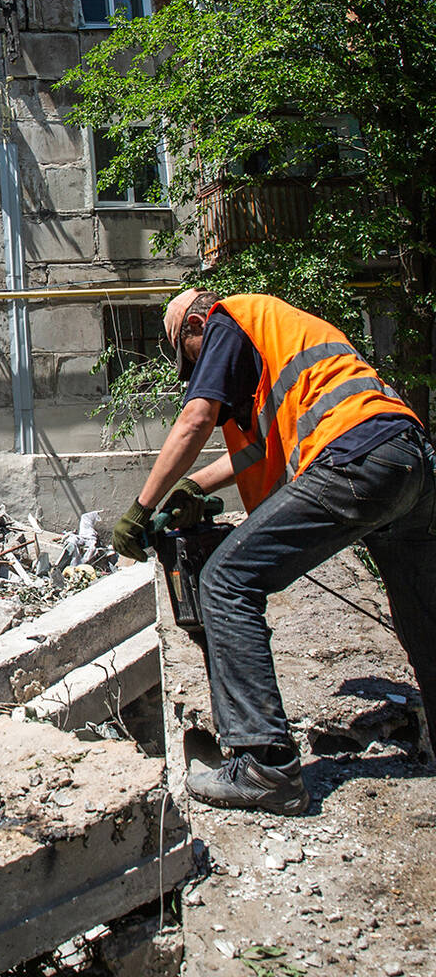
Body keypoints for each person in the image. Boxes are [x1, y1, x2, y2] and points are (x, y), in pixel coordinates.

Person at [113, 289, 436, 815]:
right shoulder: (279, 346)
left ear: (197, 324)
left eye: (187, 355)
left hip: (352, 456)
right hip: (406, 457)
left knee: (224, 579)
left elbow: (196, 418)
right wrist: (193, 488)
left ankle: (265, 767)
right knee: (424, 612)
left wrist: (140, 507)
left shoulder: (227, 319)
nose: (195, 370)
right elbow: (260, 450)